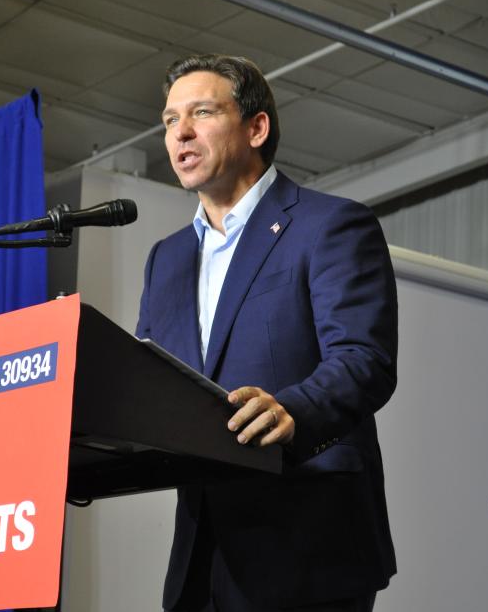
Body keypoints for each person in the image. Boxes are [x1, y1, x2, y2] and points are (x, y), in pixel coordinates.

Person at [135, 54, 398, 611]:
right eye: (168, 120)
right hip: (200, 561)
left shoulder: (329, 226)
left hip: (308, 548)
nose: (179, 132)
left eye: (201, 113)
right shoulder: (167, 259)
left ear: (257, 127)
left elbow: (362, 358)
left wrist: (293, 411)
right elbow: (152, 383)